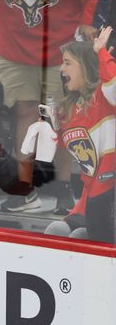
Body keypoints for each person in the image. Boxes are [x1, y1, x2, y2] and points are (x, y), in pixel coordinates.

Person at [0, 0, 100, 212]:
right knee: (25, 112)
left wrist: (86, 22)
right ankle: (25, 189)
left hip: (61, 49)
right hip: (13, 47)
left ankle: (63, 188)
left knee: (60, 117)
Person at [46, 27, 116, 243]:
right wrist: (49, 131)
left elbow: (113, 86)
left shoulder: (104, 97)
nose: (61, 68)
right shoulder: (69, 110)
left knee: (85, 238)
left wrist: (101, 53)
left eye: (67, 62)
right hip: (91, 194)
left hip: (110, 193)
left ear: (86, 67)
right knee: (57, 231)